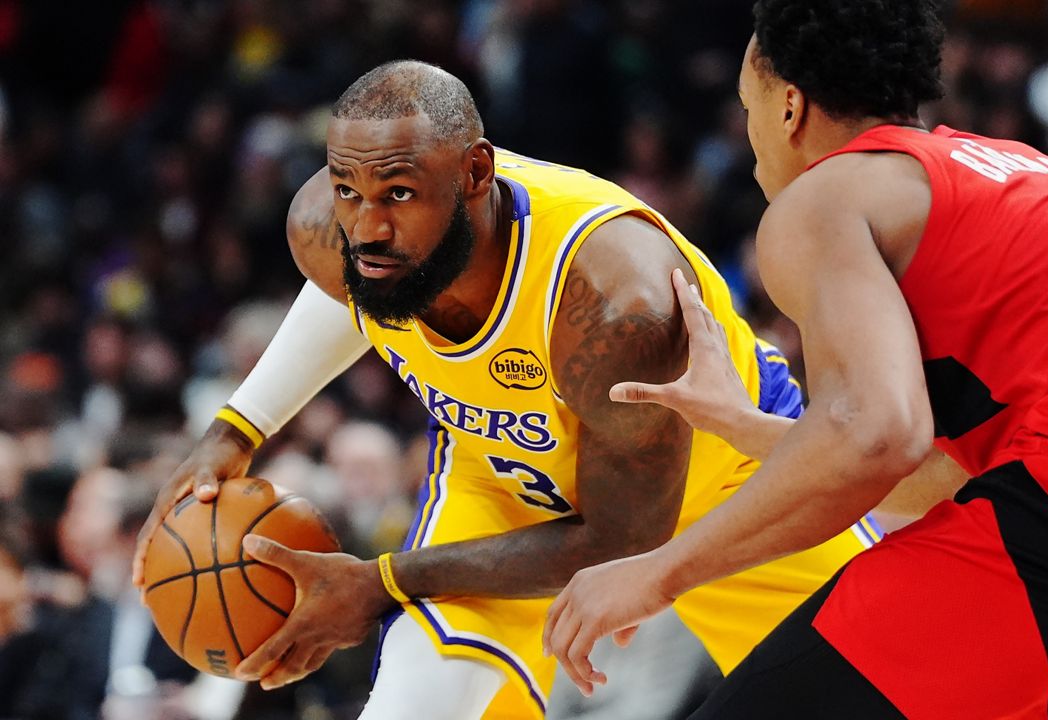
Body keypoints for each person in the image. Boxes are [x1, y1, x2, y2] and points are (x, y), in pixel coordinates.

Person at [543, 1, 1048, 718]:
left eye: (748, 105)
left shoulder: (822, 200)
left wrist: (658, 573)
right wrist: (748, 427)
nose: (751, 132)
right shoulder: (1033, 170)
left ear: (790, 107)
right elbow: (940, 474)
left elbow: (877, 433)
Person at [130, 60, 906, 720]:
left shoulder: (610, 300)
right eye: (347, 190)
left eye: (398, 193)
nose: (366, 227)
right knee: (411, 702)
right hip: (507, 480)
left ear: (475, 174)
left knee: (907, 694)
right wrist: (231, 433)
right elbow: (348, 294)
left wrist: (381, 583)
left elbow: (622, 537)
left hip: (728, 488)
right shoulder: (338, 233)